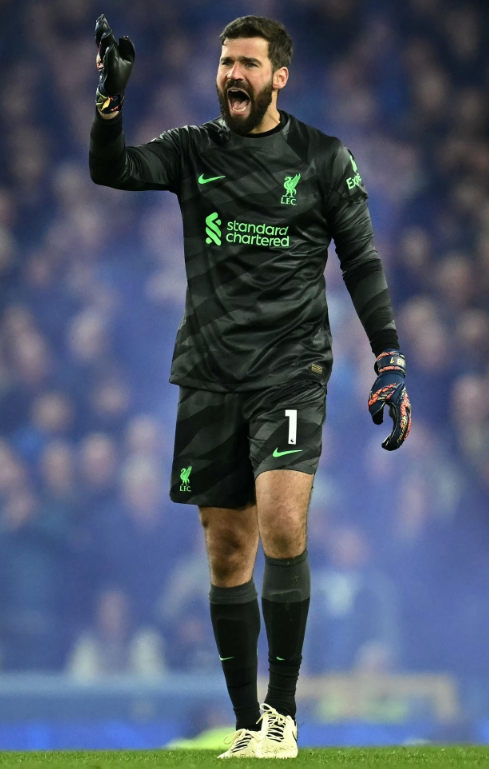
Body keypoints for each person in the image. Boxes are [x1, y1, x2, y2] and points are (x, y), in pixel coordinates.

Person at [89, 14, 411, 759]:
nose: (233, 75)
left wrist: (387, 356)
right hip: (207, 373)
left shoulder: (323, 159)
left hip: (289, 370)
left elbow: (361, 262)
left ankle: (282, 714)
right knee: (225, 551)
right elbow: (112, 170)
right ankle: (243, 723)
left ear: (279, 76)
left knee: (282, 525)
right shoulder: (193, 148)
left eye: (248, 65)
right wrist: (109, 103)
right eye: (226, 63)